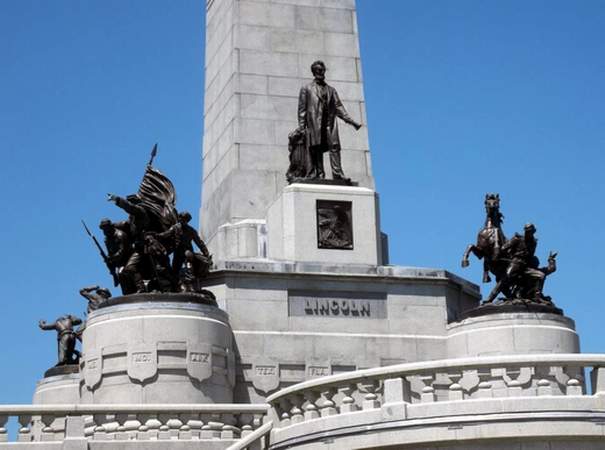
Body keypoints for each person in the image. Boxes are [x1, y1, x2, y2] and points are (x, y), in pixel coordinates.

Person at [297, 60, 362, 182]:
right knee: (316, 148)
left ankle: (338, 174)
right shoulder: (306, 88)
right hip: (314, 123)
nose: (320, 72)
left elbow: (339, 107)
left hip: (329, 123)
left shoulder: (331, 90)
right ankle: (317, 174)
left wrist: (351, 122)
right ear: (314, 72)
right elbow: (302, 110)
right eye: (318, 70)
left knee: (335, 146)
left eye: (322, 70)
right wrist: (302, 127)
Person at [156, 211, 212, 280]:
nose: (182, 221)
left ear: (187, 220)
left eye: (185, 219)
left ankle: (190, 273)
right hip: (178, 251)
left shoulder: (191, 230)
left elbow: (199, 243)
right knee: (175, 269)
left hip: (187, 250)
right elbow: (166, 234)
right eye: (181, 219)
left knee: (188, 255)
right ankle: (177, 282)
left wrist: (206, 253)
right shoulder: (175, 227)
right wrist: (157, 235)